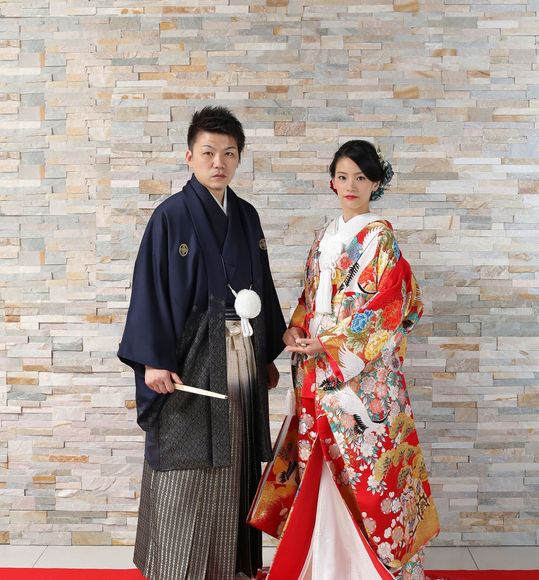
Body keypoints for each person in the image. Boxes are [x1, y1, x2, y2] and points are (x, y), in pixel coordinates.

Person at [256, 140, 439, 579]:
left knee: (367, 472)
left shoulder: (380, 239)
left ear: (376, 183)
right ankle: (324, 565)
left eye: (361, 177)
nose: (351, 185)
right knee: (318, 460)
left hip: (360, 376)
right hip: (317, 364)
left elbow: (388, 308)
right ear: (332, 183)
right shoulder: (325, 236)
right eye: (343, 176)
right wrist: (295, 329)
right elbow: (310, 299)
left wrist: (331, 343)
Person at [118, 106, 286, 580]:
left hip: (240, 354)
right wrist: (152, 360)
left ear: (239, 159)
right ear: (189, 156)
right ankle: (176, 569)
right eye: (209, 152)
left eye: (229, 153)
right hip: (188, 359)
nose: (219, 162)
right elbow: (149, 289)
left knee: (234, 456)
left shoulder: (247, 216)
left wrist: (265, 353)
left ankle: (229, 569)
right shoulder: (170, 216)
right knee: (186, 461)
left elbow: (262, 287)